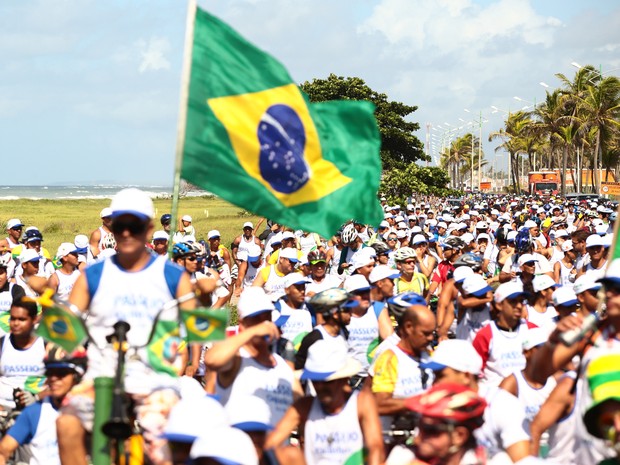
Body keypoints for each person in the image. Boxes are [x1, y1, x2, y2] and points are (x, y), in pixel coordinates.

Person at [57, 188, 195, 465]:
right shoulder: (92, 276)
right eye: (121, 226)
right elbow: (65, 326)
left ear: (149, 229)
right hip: (103, 376)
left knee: (166, 445)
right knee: (66, 423)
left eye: (135, 226)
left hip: (156, 379)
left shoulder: (173, 276)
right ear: (112, 228)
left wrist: (202, 300)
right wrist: (53, 338)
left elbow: (199, 330)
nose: (127, 233)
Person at [266, 340, 384, 465]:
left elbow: (376, 447)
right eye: (316, 381)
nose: (320, 387)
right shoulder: (304, 407)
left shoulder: (362, 402)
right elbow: (271, 444)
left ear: (344, 379)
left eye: (327, 381)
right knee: (289, 454)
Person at [205, 287, 298, 426]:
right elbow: (211, 360)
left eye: (267, 317)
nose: (264, 324)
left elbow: (298, 402)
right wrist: (253, 332)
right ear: (242, 325)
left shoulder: (280, 365)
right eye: (256, 319)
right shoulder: (237, 359)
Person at [0, 346, 87, 465]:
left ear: (77, 376)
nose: (53, 379)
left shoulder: (91, 411)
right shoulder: (34, 411)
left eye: (61, 373)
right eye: (50, 373)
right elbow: (3, 451)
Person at [371, 294, 435, 432]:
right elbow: (378, 403)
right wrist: (418, 402)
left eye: (432, 333)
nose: (431, 338)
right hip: (394, 436)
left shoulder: (427, 351)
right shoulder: (387, 353)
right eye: (425, 333)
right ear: (408, 326)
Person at [386, 382, 487, 465]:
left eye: (431, 430)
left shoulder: (488, 461)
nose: (417, 438)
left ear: (459, 436)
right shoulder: (403, 456)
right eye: (419, 426)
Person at [472, 282, 537, 391]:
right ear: (499, 305)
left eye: (521, 301)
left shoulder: (533, 330)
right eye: (513, 302)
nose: (519, 306)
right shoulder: (485, 334)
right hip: (494, 398)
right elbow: (474, 374)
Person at [0, 298, 47, 412]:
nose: (16, 323)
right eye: (13, 319)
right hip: (3, 408)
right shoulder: (2, 344)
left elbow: (61, 383)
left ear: (35, 319)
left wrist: (37, 397)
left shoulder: (46, 346)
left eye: (21, 319)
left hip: (37, 407)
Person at [295, 288, 354, 371]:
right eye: (347, 310)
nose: (351, 314)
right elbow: (299, 368)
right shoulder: (314, 338)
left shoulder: (344, 332)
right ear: (335, 314)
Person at [272, 274, 313, 350]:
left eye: (303, 287)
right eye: (298, 288)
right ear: (287, 290)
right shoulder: (278, 309)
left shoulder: (309, 308)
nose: (302, 291)